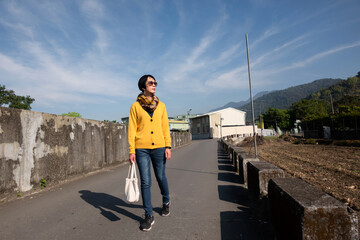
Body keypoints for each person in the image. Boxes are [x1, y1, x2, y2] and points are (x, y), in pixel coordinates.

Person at [128, 74, 172, 232]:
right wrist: (131, 150)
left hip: (160, 147)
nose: (154, 85)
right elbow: (132, 129)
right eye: (151, 83)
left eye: (155, 83)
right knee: (146, 181)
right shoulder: (135, 107)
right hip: (142, 149)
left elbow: (165, 127)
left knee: (160, 177)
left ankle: (166, 201)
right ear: (143, 87)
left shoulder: (161, 106)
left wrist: (168, 146)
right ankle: (148, 215)